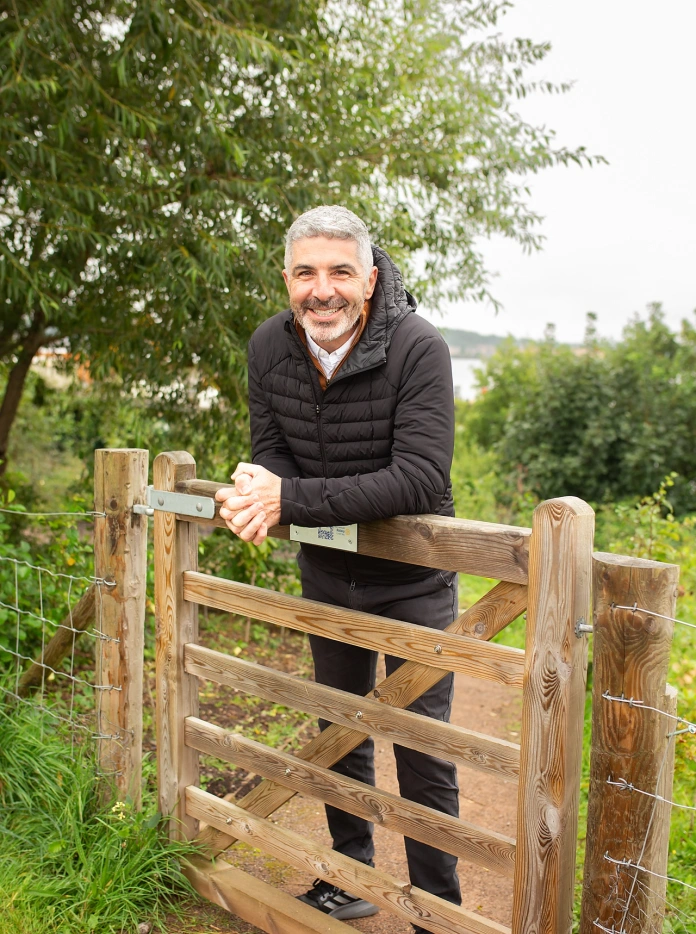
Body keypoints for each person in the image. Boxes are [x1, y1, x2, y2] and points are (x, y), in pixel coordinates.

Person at [215, 206, 460, 929]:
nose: (323, 290)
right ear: (286, 278)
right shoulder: (268, 345)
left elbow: (418, 478)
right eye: (306, 273)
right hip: (326, 571)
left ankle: (434, 916)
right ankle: (345, 880)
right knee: (340, 729)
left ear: (370, 277)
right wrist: (264, 490)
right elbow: (274, 450)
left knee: (423, 751)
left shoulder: (419, 347)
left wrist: (287, 499)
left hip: (413, 581)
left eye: (340, 272)